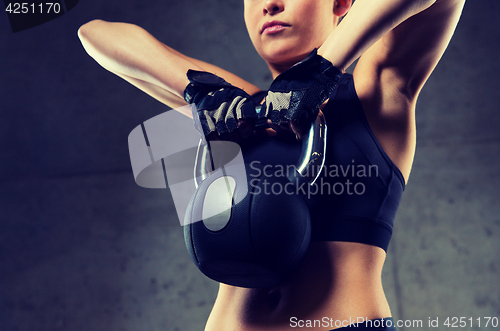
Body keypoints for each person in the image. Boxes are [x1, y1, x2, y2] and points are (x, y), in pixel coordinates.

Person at [78, 0, 465, 329]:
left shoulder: (377, 89)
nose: (270, 3)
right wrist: (199, 90)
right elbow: (95, 34)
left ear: (342, 3)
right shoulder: (240, 109)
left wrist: (323, 68)